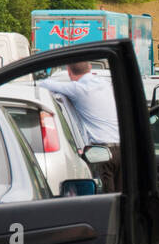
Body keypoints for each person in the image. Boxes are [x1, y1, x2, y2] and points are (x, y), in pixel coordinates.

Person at [40, 61, 122, 191]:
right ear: (90, 67)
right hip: (121, 150)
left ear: (68, 71)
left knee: (107, 201)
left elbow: (44, 84)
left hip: (101, 153)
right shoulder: (105, 85)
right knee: (121, 198)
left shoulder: (78, 89)